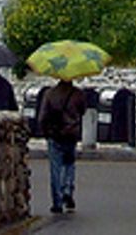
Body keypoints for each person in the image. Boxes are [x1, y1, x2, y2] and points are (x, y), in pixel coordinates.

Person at [37, 78, 88, 214]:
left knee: (55, 168)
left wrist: (44, 131)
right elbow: (83, 111)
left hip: (54, 134)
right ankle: (67, 190)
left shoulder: (49, 94)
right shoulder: (78, 94)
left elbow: (42, 117)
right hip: (71, 134)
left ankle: (57, 202)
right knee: (69, 164)